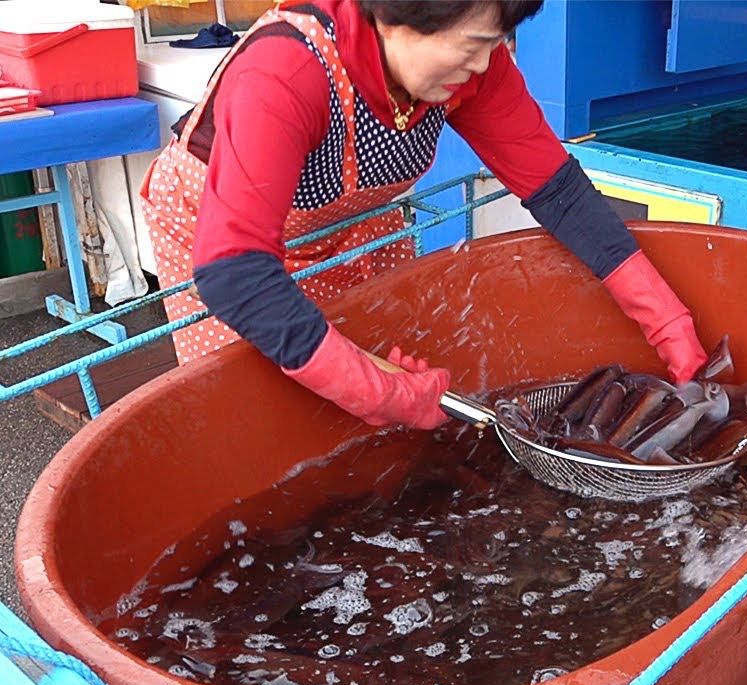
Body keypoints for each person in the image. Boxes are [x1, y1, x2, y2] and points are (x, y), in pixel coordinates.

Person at [140, 0, 706, 430]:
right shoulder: (285, 72)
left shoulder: (470, 70)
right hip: (219, 248)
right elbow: (235, 272)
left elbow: (558, 192)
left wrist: (666, 319)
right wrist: (373, 391)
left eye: (500, 40)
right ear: (398, 15)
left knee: (378, 387)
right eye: (476, 42)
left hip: (352, 228)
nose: (486, 63)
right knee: (270, 415)